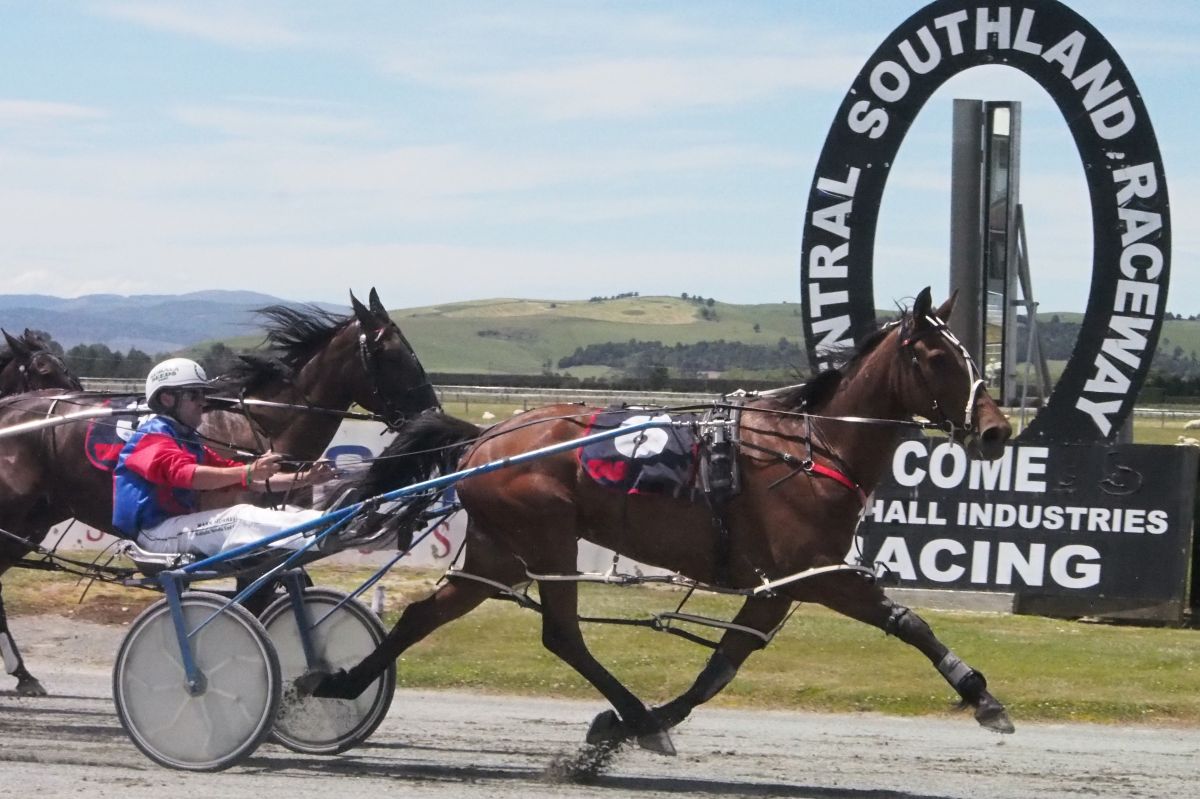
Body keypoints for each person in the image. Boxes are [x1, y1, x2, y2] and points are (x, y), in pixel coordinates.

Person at [112, 357, 336, 557]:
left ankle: (332, 523)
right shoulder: (150, 437)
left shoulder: (189, 442)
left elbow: (252, 482)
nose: (203, 401)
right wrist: (246, 471)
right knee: (240, 517)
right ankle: (322, 531)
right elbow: (189, 476)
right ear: (168, 399)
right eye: (194, 394)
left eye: (203, 394)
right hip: (153, 534)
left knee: (284, 511)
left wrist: (306, 478)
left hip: (175, 528)